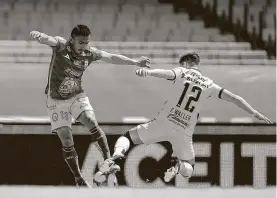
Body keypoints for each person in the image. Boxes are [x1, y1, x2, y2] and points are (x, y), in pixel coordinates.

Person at [94, 52, 273, 184]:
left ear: (186, 63)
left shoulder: (183, 71)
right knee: (189, 168)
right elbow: (235, 98)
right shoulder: (210, 84)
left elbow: (167, 73)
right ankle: (179, 166)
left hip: (164, 122)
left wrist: (147, 72)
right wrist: (254, 113)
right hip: (184, 131)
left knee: (127, 137)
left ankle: (117, 155)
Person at [29, 24, 150, 188]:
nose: (84, 46)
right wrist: (40, 36)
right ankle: (79, 179)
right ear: (72, 40)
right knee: (66, 140)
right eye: (81, 43)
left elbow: (111, 57)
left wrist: (135, 62)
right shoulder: (62, 46)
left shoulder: (89, 53)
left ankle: (108, 161)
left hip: (76, 96)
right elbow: (49, 40)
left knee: (91, 121)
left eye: (86, 43)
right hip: (56, 101)